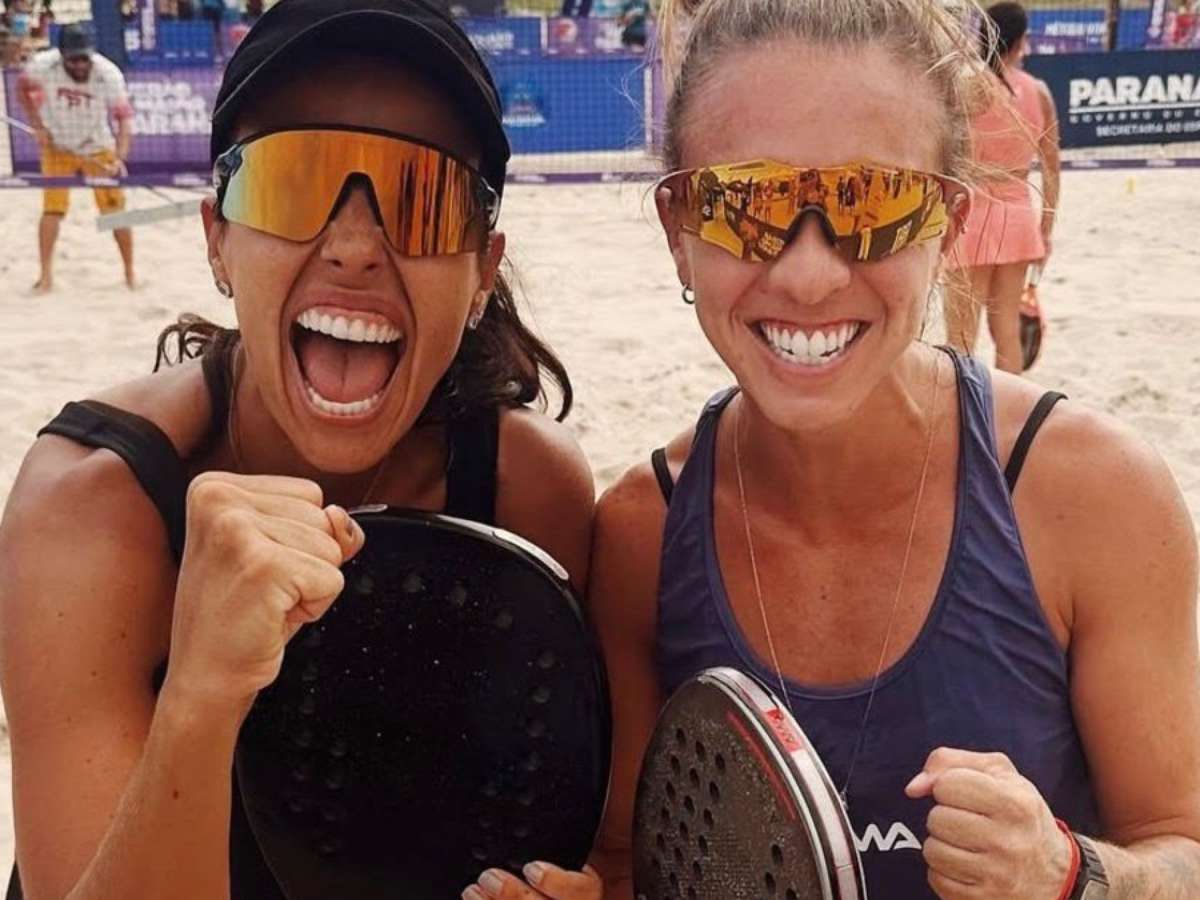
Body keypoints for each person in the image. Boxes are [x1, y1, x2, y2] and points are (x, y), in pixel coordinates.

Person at [463, 0, 1200, 898]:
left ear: (947, 223)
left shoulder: (1090, 493)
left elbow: (1180, 845)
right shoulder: (641, 532)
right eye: (747, 204)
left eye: (873, 201)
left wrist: (1069, 873)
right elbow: (628, 864)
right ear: (679, 232)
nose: (810, 274)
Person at [0, 1, 593, 898]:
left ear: (481, 271)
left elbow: (531, 833)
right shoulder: (94, 503)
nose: (354, 247)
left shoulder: (526, 488)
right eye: (289, 181)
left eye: (422, 197)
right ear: (218, 240)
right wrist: (201, 697)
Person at [943, 2, 1060, 373]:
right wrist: (1046, 229)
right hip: (1019, 213)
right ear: (1021, 40)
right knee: (1007, 329)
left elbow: (942, 152)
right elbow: (1052, 169)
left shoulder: (967, 86)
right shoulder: (1039, 91)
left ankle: (963, 404)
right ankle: (1013, 403)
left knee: (961, 335)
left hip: (971, 212)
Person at [16, 22, 136, 293]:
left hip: (97, 147)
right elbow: (21, 88)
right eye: (74, 59)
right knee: (52, 211)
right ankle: (45, 276)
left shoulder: (108, 74)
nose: (81, 64)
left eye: (85, 58)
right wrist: (37, 125)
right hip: (57, 146)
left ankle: (130, 274)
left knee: (115, 213)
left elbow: (124, 119)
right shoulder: (42, 66)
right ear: (62, 55)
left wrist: (119, 158)